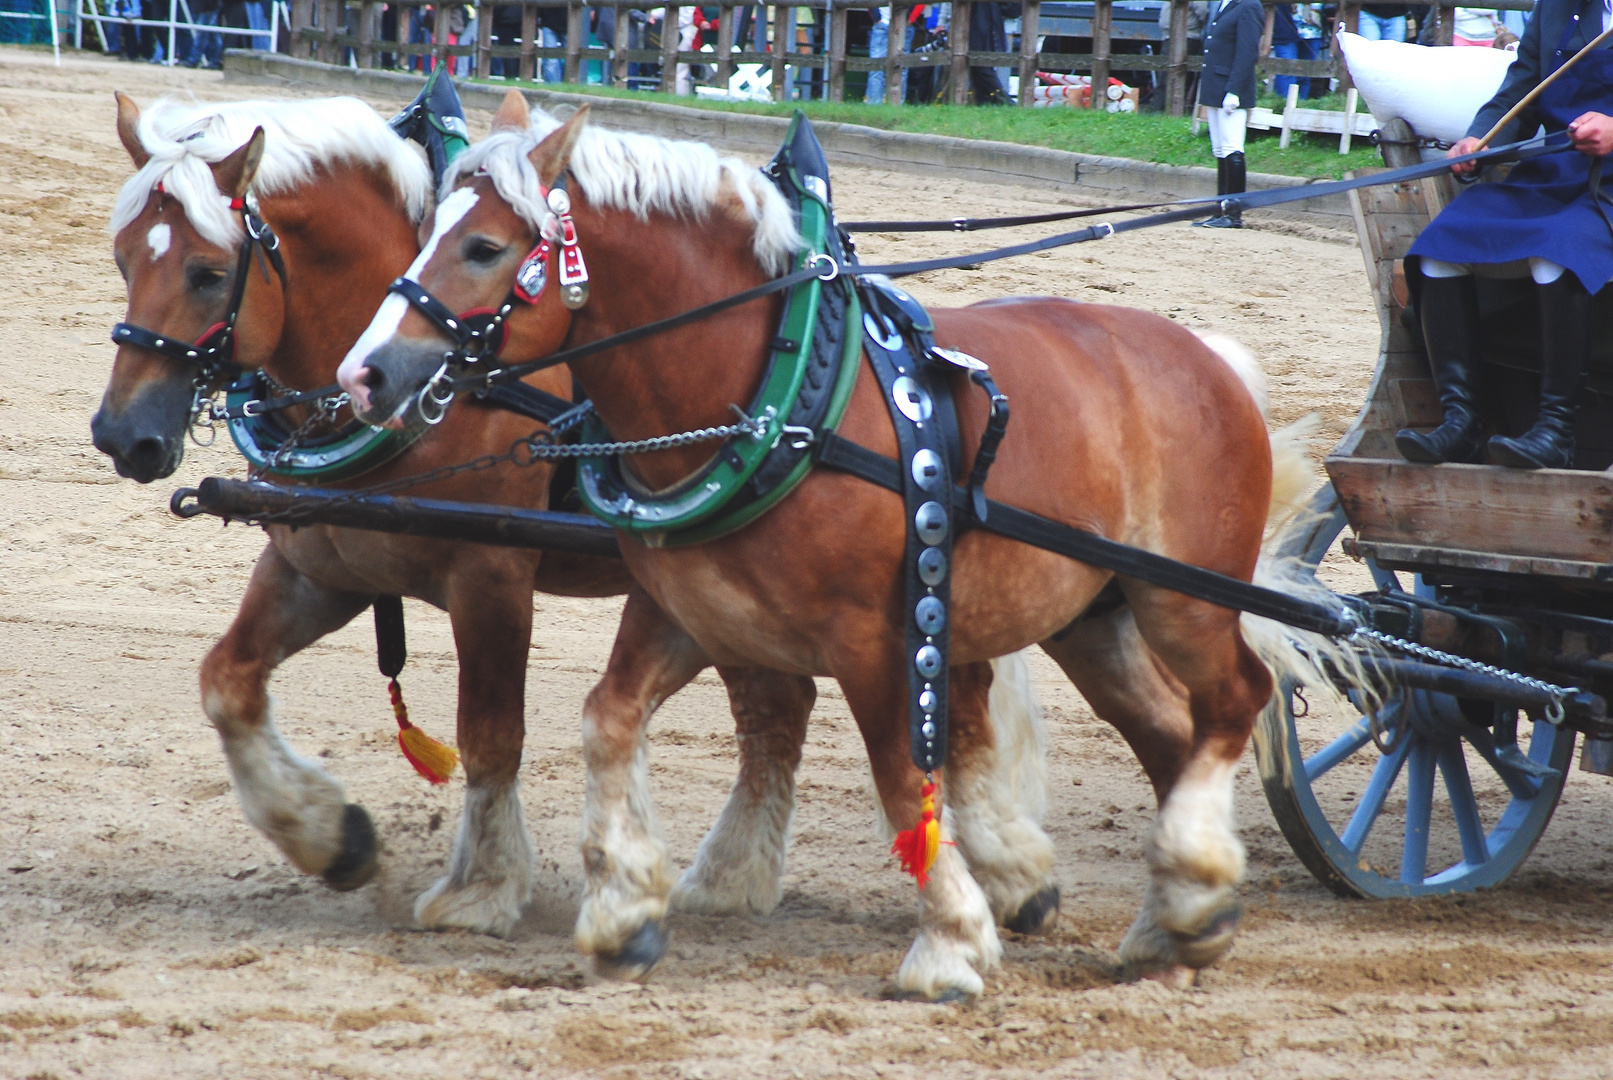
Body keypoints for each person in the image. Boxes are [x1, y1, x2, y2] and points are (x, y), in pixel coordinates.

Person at [1398, 0, 1613, 469]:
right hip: (1553, 174)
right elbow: (1521, 91)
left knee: (1560, 246)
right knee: (1443, 242)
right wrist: (1482, 140)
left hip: (1608, 189)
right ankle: (1462, 424)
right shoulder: (1557, 8)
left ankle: (1556, 431)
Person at [1195, 0, 1263, 228]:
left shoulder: (1248, 6)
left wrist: (1234, 90)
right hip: (1216, 86)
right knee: (1220, 150)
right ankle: (1220, 209)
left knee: (1233, 148)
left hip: (1230, 87)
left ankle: (1234, 214)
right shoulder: (1224, 3)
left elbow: (1247, 51)